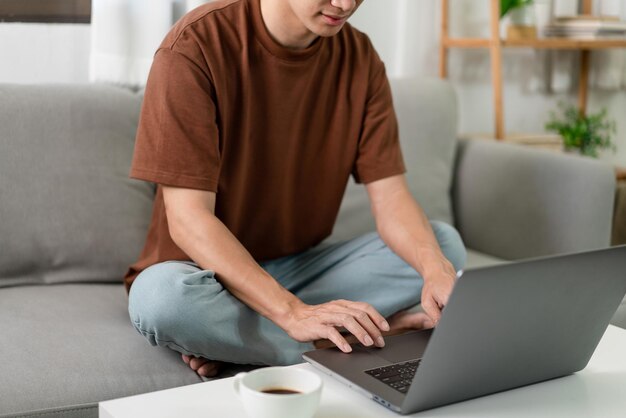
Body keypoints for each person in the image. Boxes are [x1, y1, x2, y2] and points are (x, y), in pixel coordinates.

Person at [125, 0, 466, 378]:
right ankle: (334, 342)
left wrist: (435, 271)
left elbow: (391, 198)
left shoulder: (361, 58)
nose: (346, 4)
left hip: (300, 270)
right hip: (203, 276)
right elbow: (188, 220)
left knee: (443, 245)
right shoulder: (194, 46)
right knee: (159, 300)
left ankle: (249, 343)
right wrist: (292, 313)